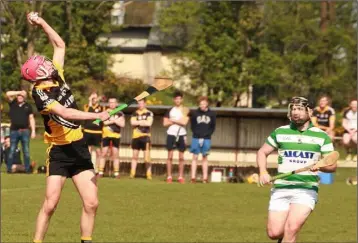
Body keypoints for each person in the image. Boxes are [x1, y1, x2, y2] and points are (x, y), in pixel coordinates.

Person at [21, 12, 109, 243]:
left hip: (79, 147)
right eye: (44, 64)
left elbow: (59, 44)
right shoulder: (39, 93)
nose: (48, 62)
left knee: (92, 202)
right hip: (59, 152)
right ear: (38, 73)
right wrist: (97, 115)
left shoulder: (56, 74)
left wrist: (41, 22)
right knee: (50, 204)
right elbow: (66, 112)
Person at [257, 97, 336, 243]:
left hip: (306, 190)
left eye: (299, 109)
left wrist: (320, 165)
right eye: (293, 109)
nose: (295, 112)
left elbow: (332, 166)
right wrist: (263, 172)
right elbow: (262, 152)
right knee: (274, 233)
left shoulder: (322, 136)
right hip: (281, 188)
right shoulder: (280, 132)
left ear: (310, 111)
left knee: (291, 228)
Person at [5, 90, 36, 173]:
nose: (19, 97)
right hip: (14, 131)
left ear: (24, 98)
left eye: (21, 96)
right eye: (18, 96)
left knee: (26, 151)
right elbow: (7, 94)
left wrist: (33, 131)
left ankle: (27, 169)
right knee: (12, 150)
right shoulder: (13, 104)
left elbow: (31, 118)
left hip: (25, 131)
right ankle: (9, 169)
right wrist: (18, 92)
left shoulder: (28, 106)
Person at [163, 91, 189, 184]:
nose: (178, 100)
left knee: (181, 157)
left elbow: (184, 122)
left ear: (182, 99)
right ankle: (169, 176)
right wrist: (177, 121)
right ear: (174, 100)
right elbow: (165, 123)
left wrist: (172, 120)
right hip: (171, 134)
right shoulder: (170, 110)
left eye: (179, 98)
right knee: (170, 156)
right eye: (176, 98)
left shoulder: (185, 110)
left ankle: (180, 177)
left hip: (182, 134)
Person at [189, 96, 216, 183]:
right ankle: (193, 177)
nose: (202, 105)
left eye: (204, 104)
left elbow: (213, 127)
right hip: (196, 138)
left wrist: (206, 135)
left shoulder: (211, 114)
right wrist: (197, 134)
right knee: (195, 157)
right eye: (201, 104)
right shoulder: (195, 113)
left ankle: (205, 178)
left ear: (207, 104)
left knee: (205, 157)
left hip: (207, 138)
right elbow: (192, 126)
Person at [97, 98, 125, 179]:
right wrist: (116, 121)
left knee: (115, 154)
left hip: (116, 135)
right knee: (104, 153)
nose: (112, 104)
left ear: (116, 104)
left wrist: (112, 120)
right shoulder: (106, 112)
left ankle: (116, 173)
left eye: (113, 102)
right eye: (110, 102)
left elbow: (122, 124)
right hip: (106, 135)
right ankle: (100, 172)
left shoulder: (120, 113)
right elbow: (105, 122)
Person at [130, 99, 154, 180]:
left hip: (146, 136)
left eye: (142, 103)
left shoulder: (149, 113)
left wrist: (138, 122)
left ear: (145, 104)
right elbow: (132, 123)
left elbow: (149, 123)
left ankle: (148, 174)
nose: (140, 105)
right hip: (136, 136)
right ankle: (132, 173)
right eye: (139, 103)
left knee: (146, 157)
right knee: (134, 156)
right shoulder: (134, 113)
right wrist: (143, 122)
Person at [83, 92, 104, 171]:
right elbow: (86, 113)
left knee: (99, 151)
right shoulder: (87, 106)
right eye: (92, 98)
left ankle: (97, 169)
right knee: (88, 150)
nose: (94, 100)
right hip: (87, 131)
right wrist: (90, 100)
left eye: (95, 98)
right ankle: (87, 167)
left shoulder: (102, 108)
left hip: (97, 133)